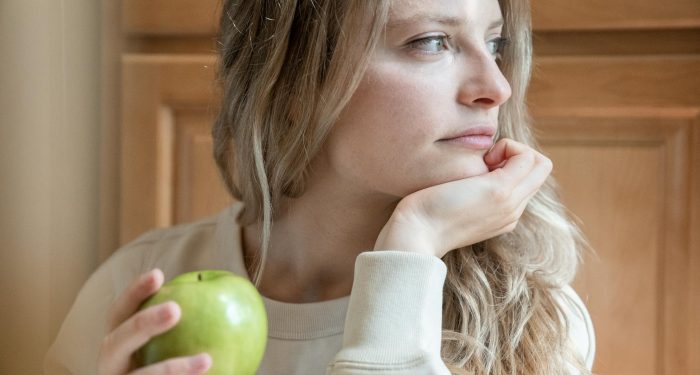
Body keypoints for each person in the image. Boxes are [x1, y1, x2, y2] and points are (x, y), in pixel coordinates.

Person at [44, 0, 596, 374]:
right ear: (293, 84)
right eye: (431, 42)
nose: (495, 86)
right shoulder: (136, 287)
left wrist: (412, 247)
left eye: (495, 45)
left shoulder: (534, 322)